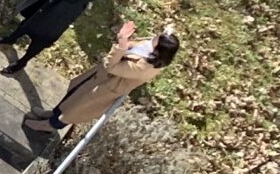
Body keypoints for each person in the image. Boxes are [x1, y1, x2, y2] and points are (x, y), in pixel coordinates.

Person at [34, 18, 178, 136]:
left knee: (75, 109)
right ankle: (52, 114)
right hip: (98, 76)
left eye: (158, 38)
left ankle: (49, 125)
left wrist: (121, 45)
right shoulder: (148, 45)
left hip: (104, 87)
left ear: (159, 49)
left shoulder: (145, 68)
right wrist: (124, 40)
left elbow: (113, 67)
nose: (155, 36)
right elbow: (130, 46)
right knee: (73, 94)